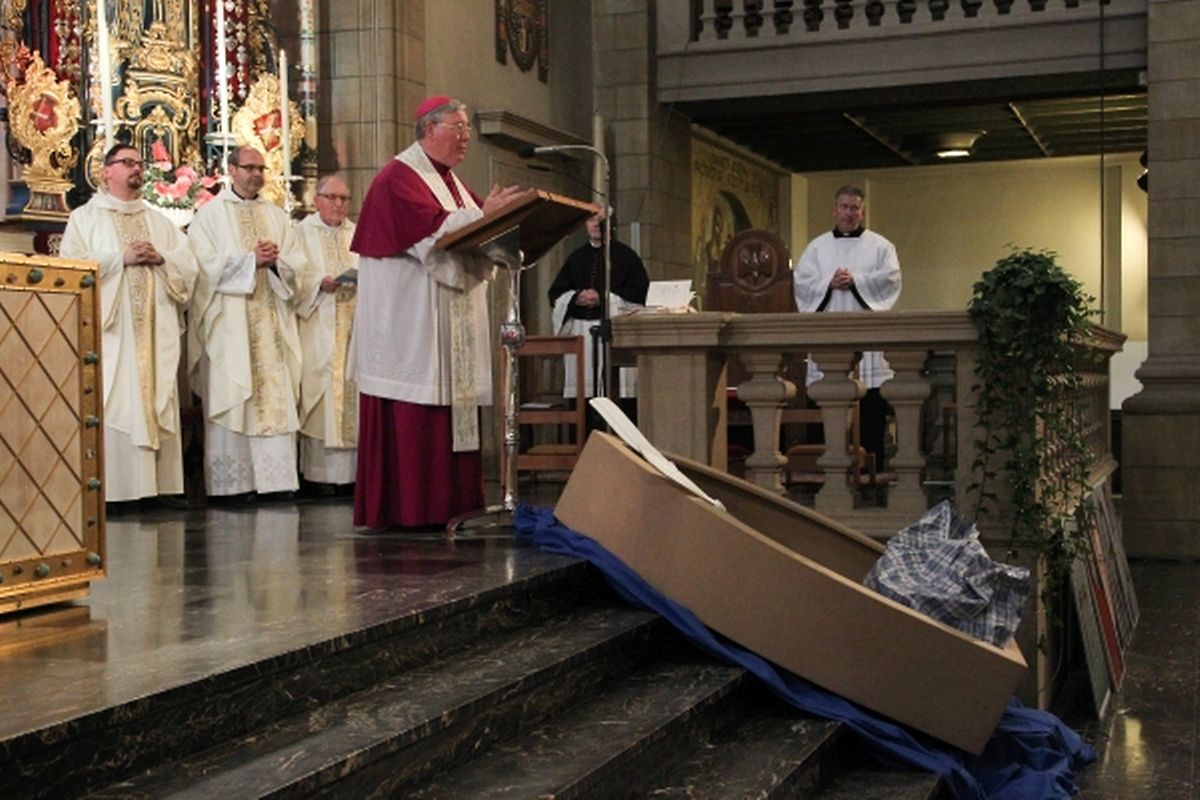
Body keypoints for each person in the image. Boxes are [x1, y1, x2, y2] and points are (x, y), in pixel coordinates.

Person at [349, 95, 524, 529]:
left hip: (441, 321)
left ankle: (451, 504)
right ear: (428, 129)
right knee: (418, 410)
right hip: (408, 324)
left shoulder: (452, 183)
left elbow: (465, 225)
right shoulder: (399, 177)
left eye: (467, 128)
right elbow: (433, 232)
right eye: (457, 127)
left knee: (449, 407)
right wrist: (484, 215)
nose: (466, 136)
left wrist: (495, 219)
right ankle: (412, 509)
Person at [59, 143, 199, 505]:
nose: (136, 168)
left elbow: (188, 266)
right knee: (117, 400)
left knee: (156, 395)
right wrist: (119, 258)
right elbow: (71, 269)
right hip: (112, 332)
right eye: (126, 163)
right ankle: (118, 491)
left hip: (155, 333)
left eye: (139, 163)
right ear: (106, 171)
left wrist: (161, 258)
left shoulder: (159, 221)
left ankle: (159, 488)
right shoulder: (85, 219)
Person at [186, 144, 312, 500]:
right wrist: (247, 261)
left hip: (271, 321)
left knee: (275, 393)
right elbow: (201, 266)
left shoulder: (276, 216)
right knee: (234, 392)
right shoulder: (210, 216)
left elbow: (298, 265)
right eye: (249, 167)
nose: (256, 174)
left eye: (261, 168)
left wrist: (275, 264)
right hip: (231, 325)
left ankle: (277, 482)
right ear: (231, 169)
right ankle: (235, 485)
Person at [792, 184, 901, 471]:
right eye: (844, 207)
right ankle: (824, 470)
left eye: (855, 208)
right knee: (826, 409)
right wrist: (829, 281)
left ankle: (871, 471)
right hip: (828, 344)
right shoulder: (817, 247)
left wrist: (857, 281)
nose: (849, 213)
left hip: (868, 348)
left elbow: (891, 279)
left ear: (862, 211)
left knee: (869, 414)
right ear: (834, 210)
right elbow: (801, 283)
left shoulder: (881, 246)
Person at [295, 175, 358, 493]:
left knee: (352, 393)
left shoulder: (357, 234)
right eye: (331, 197)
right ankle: (319, 477)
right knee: (319, 392)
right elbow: (293, 274)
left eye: (344, 199)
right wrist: (318, 282)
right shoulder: (300, 233)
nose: (338, 204)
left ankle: (351, 477)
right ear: (316, 199)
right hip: (317, 323)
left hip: (352, 326)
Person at [548, 208, 649, 398]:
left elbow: (639, 293)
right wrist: (576, 297)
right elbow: (555, 294)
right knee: (584, 395)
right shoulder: (575, 258)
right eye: (591, 220)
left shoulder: (627, 257)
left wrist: (603, 297)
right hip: (581, 334)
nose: (595, 225)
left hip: (614, 331)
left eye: (600, 220)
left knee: (616, 393)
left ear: (611, 225)